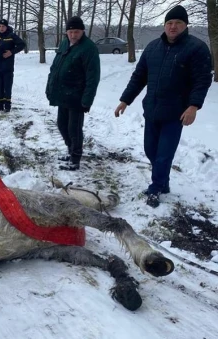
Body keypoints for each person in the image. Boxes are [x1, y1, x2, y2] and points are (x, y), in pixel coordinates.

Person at [115, 5, 212, 208]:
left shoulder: (196, 48)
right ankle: (163, 183)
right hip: (151, 110)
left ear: (186, 25)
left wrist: (193, 106)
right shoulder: (152, 48)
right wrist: (125, 100)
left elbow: (202, 80)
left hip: (175, 113)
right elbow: (139, 76)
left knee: (163, 155)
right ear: (164, 25)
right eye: (169, 22)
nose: (173, 26)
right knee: (151, 150)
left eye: (178, 23)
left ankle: (156, 188)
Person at [45, 16, 100, 171]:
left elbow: (93, 76)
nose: (73, 35)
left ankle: (75, 159)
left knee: (73, 129)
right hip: (62, 94)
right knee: (62, 125)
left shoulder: (89, 48)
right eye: (71, 31)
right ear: (66, 32)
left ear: (82, 31)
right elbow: (55, 68)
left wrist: (87, 100)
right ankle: (70, 151)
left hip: (77, 97)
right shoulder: (64, 44)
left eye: (77, 32)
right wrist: (49, 87)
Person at [0, 18, 26, 112]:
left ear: (6, 27)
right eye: (0, 26)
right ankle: (0, 105)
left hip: (8, 66)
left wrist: (11, 52)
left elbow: (22, 44)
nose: (1, 28)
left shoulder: (11, 35)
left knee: (7, 86)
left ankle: (7, 106)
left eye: (3, 26)